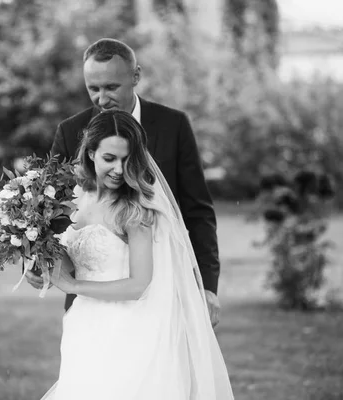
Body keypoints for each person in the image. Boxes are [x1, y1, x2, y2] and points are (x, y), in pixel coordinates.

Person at [37, 110, 234, 400]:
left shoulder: (135, 209)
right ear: (91, 153)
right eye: (109, 158)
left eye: (127, 159)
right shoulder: (76, 199)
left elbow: (139, 285)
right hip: (84, 325)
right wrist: (36, 244)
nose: (119, 169)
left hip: (130, 329)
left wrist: (74, 286)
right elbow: (75, 258)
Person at [28, 37, 222, 326]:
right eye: (93, 88)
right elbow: (50, 210)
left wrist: (206, 285)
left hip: (166, 289)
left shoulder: (174, 126)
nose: (102, 99)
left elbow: (197, 210)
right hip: (92, 298)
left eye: (111, 87)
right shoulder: (70, 132)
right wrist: (38, 256)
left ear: (135, 77)